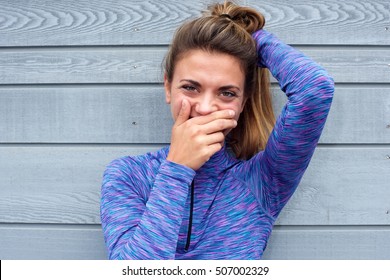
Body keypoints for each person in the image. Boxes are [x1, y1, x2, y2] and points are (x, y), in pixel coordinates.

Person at [100, 1, 334, 260]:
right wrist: (177, 169)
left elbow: (315, 89)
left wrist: (248, 35)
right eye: (190, 87)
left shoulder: (261, 182)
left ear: (243, 102)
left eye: (226, 93)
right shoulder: (128, 176)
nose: (205, 107)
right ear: (168, 87)